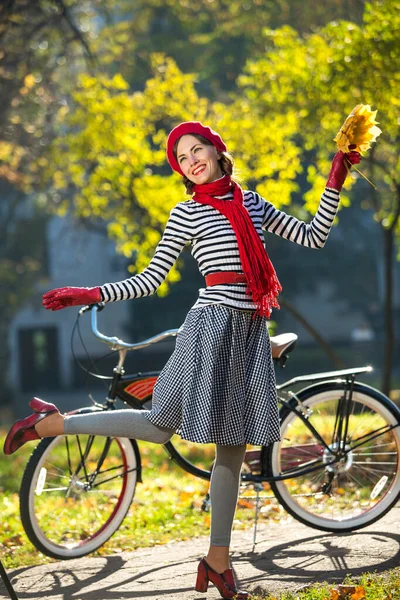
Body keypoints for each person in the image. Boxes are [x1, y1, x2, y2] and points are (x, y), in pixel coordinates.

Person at [4, 122, 360, 599]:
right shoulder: (186, 213)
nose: (192, 160)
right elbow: (151, 278)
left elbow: (314, 236)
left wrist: (335, 178)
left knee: (232, 449)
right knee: (159, 425)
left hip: (250, 330)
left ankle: (218, 561)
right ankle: (51, 424)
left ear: (217, 150)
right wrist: (92, 293)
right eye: (182, 158)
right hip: (211, 326)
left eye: (198, 150)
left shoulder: (250, 202)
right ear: (183, 173)